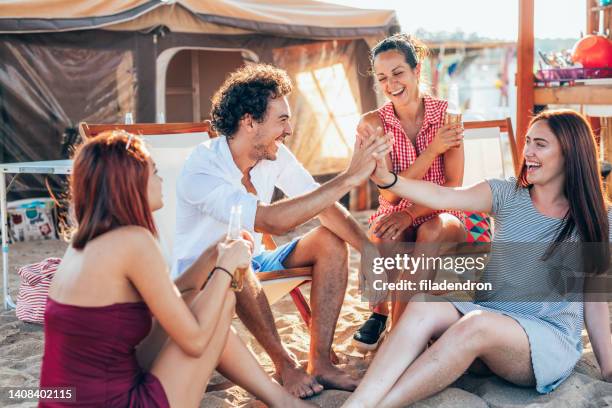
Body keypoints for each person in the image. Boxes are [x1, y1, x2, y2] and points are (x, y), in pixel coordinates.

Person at [344, 109, 612, 407]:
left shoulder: (599, 219)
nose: (528, 151)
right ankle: (358, 403)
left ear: (570, 153)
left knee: (477, 323)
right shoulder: (507, 193)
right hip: (485, 323)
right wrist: (388, 179)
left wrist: (609, 366)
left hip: (543, 341)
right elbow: (443, 196)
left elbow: (596, 299)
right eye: (527, 141)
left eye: (540, 144)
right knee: (423, 306)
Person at [38, 131, 314, 407]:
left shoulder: (82, 244)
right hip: (116, 401)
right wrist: (226, 269)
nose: (161, 180)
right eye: (154, 171)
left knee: (199, 303)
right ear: (129, 182)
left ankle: (279, 400)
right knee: (221, 301)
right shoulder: (134, 241)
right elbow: (194, 341)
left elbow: (177, 295)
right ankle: (282, 401)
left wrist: (211, 255)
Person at [173, 63, 392, 398]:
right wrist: (348, 178)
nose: (289, 129)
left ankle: (319, 362)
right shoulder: (202, 167)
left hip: (254, 264)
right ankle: (285, 365)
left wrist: (369, 250)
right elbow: (270, 221)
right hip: (203, 280)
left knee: (330, 241)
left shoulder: (273, 156)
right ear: (249, 122)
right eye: (282, 119)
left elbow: (322, 206)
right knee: (238, 248)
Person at [353, 34, 467, 351]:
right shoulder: (373, 123)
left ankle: (397, 339)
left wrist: (411, 213)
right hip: (395, 210)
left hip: (443, 211)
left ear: (417, 72)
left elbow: (453, 183)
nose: (391, 84)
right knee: (382, 231)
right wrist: (432, 151)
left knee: (430, 231)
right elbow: (389, 194)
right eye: (382, 78)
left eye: (398, 73)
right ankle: (380, 312)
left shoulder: (448, 116)